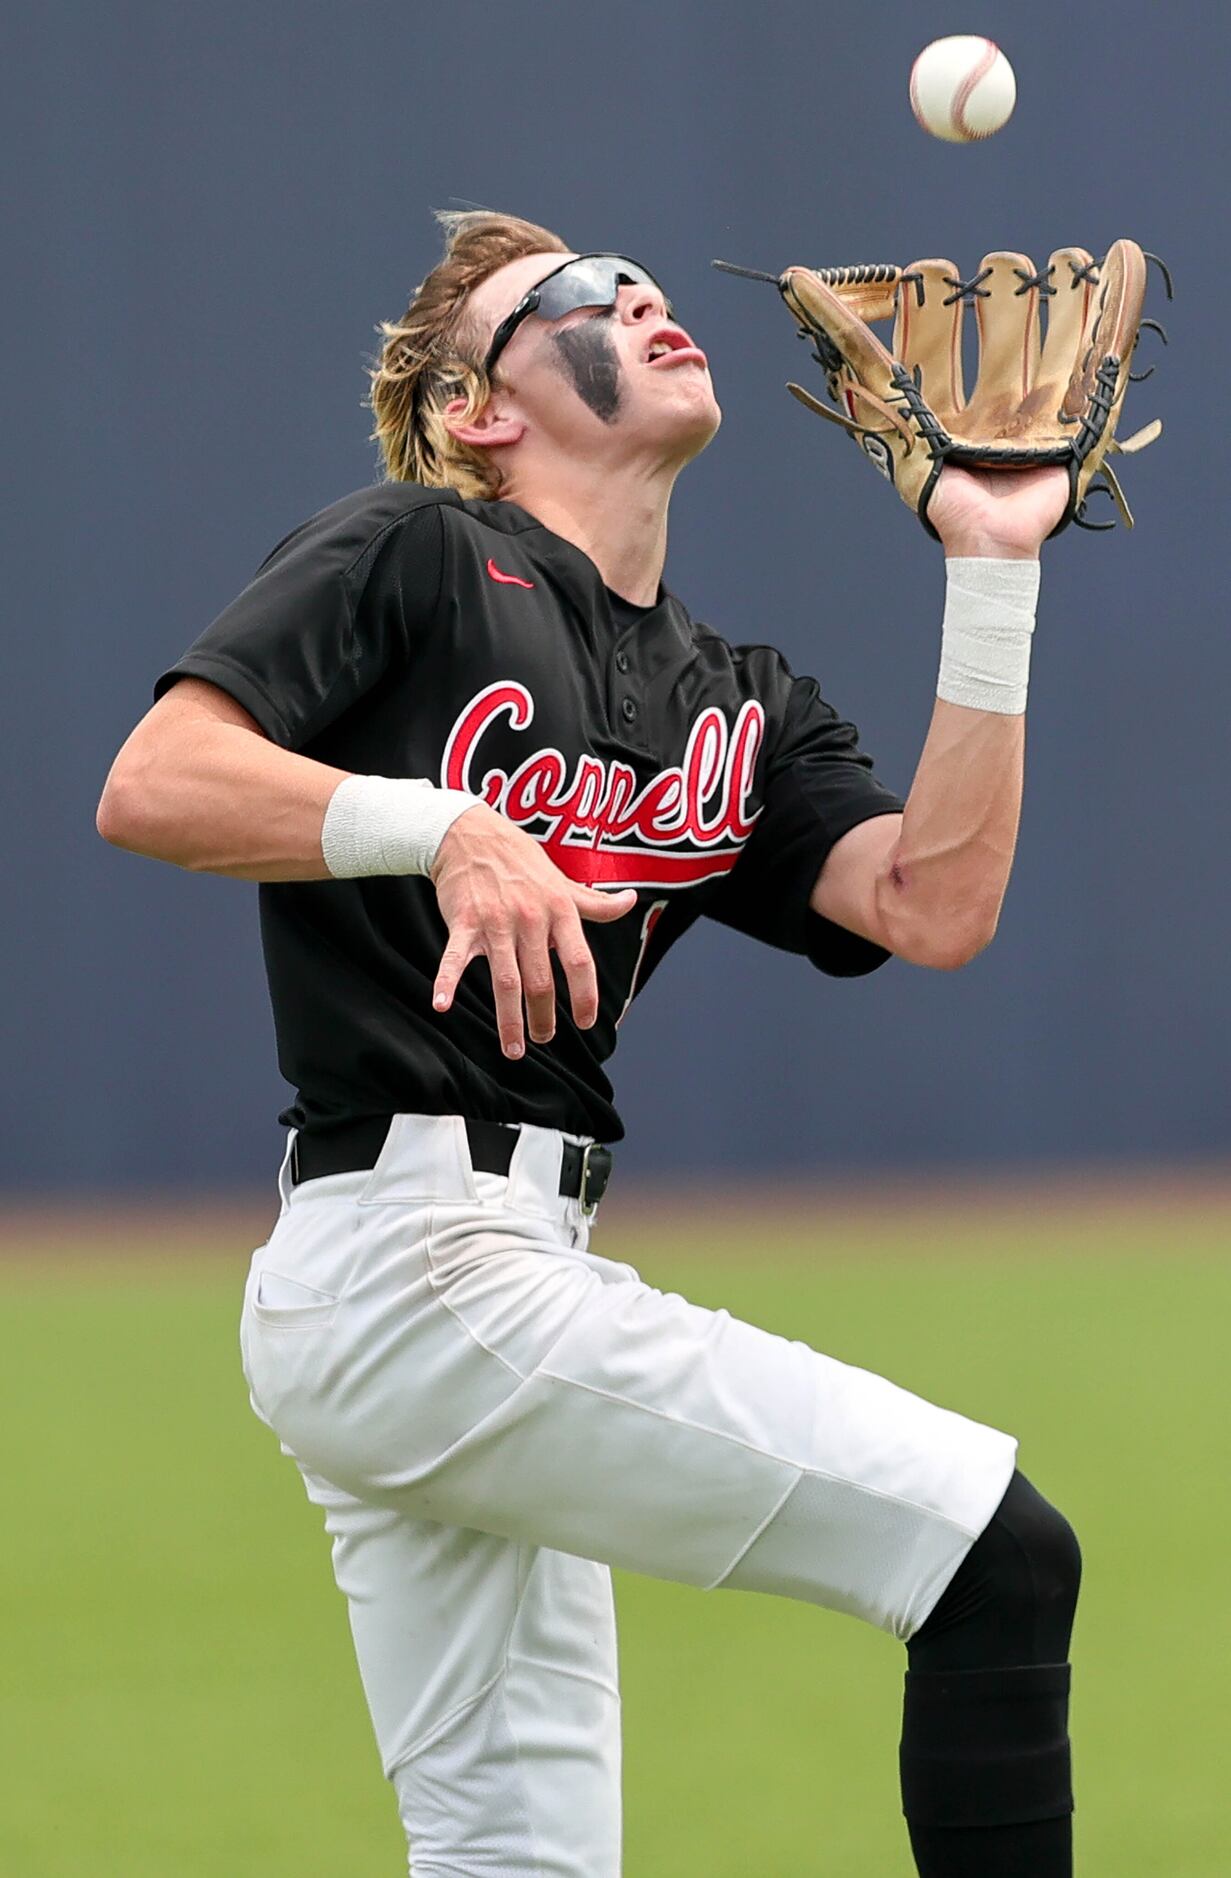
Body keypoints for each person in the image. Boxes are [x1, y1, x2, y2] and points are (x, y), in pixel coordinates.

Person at [97, 211, 1082, 1877]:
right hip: (414, 1265)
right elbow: (156, 779)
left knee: (517, 1861)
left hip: (479, 1271)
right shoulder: (414, 549)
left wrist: (993, 567)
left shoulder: (736, 694)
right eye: (568, 299)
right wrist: (445, 828)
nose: (633, 296)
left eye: (634, 279)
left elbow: (935, 901)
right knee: (993, 1551)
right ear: (487, 409)